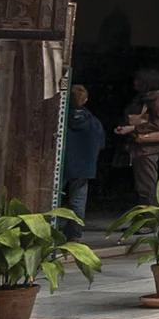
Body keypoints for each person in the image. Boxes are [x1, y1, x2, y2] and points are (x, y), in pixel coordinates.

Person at [113, 67, 159, 205]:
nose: (135, 83)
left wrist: (134, 128)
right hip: (143, 147)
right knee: (144, 184)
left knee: (146, 186)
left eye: (138, 80)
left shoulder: (155, 98)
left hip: (149, 148)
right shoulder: (145, 97)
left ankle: (149, 221)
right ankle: (145, 220)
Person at [61, 83, 104, 234]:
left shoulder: (60, 120)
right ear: (85, 100)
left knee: (52, 197)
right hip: (83, 168)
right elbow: (101, 143)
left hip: (61, 165)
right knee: (78, 200)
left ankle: (47, 229)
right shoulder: (94, 122)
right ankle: (74, 233)